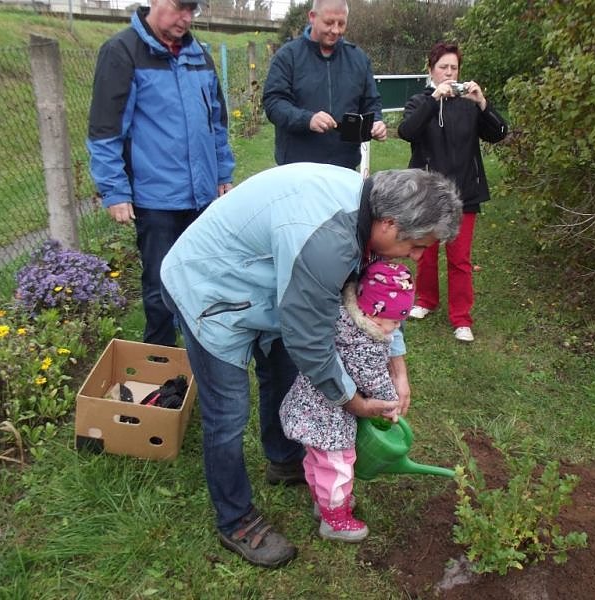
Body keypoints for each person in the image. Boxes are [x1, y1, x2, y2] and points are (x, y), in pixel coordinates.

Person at [160, 163, 461, 568]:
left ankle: (283, 460)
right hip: (210, 287)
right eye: (418, 246)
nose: (418, 256)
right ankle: (236, 519)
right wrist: (351, 400)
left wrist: (398, 368)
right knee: (228, 413)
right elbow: (308, 336)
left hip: (268, 284)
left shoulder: (370, 211)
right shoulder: (328, 242)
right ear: (389, 225)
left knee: (284, 375)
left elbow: (374, 306)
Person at [86, 0, 235, 347]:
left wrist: (222, 172)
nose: (185, 18)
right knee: (159, 285)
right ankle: (159, 360)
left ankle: (203, 354)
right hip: (156, 198)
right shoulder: (122, 52)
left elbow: (217, 122)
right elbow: (106, 130)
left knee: (200, 279)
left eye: (192, 10)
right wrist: (115, 190)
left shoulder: (199, 54)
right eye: (179, 7)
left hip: (201, 195)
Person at [280, 261, 415, 543]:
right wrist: (390, 402)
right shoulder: (367, 341)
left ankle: (323, 502)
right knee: (339, 466)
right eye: (394, 320)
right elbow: (372, 377)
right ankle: (335, 521)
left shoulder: (345, 317)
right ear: (373, 312)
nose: (397, 326)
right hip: (330, 417)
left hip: (309, 405)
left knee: (317, 460)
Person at [397, 41, 507, 343]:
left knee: (459, 258)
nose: (448, 73)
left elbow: (499, 133)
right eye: (443, 67)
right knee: (427, 252)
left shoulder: (469, 103)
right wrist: (434, 99)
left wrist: (482, 102)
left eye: (453, 68)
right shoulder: (421, 101)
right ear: (431, 69)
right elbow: (407, 132)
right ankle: (425, 300)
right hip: (429, 192)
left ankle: (461, 318)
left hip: (465, 193)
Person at [262, 0, 387, 170]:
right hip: (297, 167)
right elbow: (274, 103)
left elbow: (371, 102)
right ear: (312, 17)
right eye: (329, 23)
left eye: (341, 24)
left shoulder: (358, 59)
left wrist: (376, 122)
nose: (335, 30)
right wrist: (308, 119)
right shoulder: (287, 57)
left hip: (344, 167)